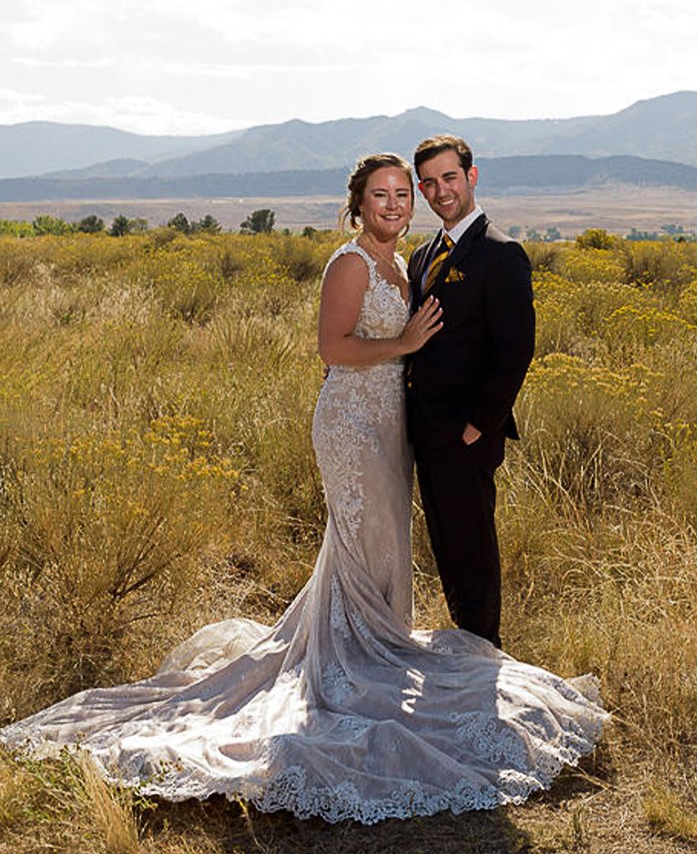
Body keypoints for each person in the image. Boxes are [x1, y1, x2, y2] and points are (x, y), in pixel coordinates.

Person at [0, 154, 606, 823]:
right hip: (350, 424)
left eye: (407, 192)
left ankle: (380, 649)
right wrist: (403, 343)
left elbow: (499, 347)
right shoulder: (350, 263)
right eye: (385, 194)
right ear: (359, 203)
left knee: (382, 545)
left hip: (391, 426)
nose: (399, 203)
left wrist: (456, 409)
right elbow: (332, 348)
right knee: (360, 538)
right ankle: (351, 663)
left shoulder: (409, 262)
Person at [407, 136, 535, 649]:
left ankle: (484, 656)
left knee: (473, 550)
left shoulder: (501, 254)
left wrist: (477, 426)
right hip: (425, 431)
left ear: (472, 177)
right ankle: (465, 653)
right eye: (431, 183)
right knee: (445, 547)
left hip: (466, 435)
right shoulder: (422, 256)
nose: (441, 191)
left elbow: (515, 351)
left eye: (450, 178)